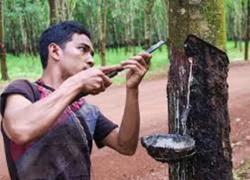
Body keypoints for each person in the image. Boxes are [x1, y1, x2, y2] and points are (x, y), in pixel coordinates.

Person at [0, 20, 151, 179]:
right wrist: (77, 83)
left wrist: (132, 89)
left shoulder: (86, 110)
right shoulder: (24, 90)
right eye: (82, 49)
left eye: (92, 54)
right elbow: (20, 129)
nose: (91, 60)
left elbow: (126, 146)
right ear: (55, 51)